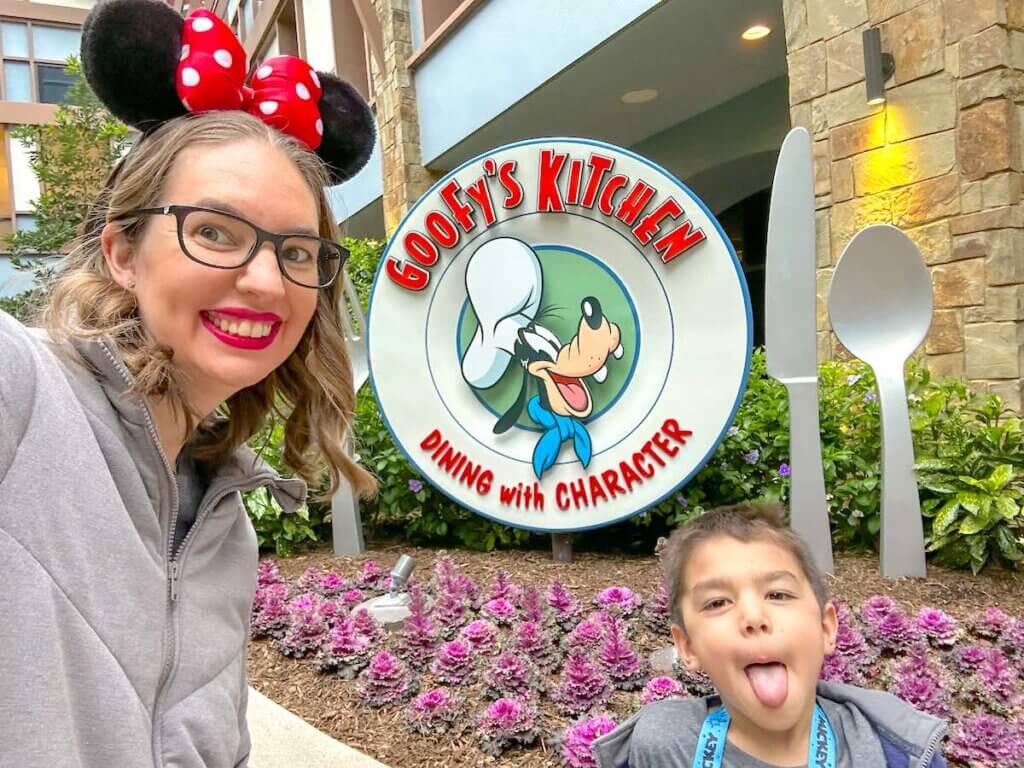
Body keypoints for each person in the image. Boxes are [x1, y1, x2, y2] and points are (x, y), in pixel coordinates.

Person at [0, 0, 376, 765]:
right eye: (214, 233)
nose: (267, 281)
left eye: (299, 251)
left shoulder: (225, 526)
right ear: (122, 253)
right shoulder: (20, 394)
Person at [593, 503, 948, 768]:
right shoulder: (667, 747)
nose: (754, 617)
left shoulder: (899, 752)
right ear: (688, 647)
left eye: (778, 594)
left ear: (826, 628)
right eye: (717, 602)